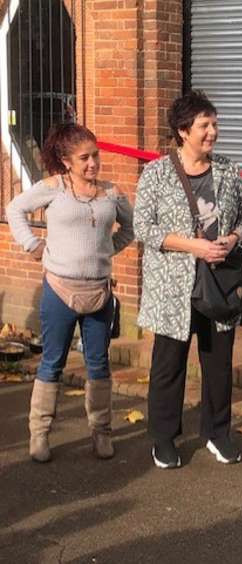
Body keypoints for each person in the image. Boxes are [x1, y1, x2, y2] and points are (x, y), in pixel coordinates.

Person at [133, 90, 242, 469]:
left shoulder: (227, 170)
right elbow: (143, 228)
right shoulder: (156, 173)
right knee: (168, 366)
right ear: (183, 130)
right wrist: (194, 247)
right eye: (205, 125)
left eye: (215, 124)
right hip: (174, 289)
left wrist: (232, 238)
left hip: (219, 284)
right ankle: (164, 439)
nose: (213, 132)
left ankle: (218, 434)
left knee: (218, 365)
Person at [7, 123, 134, 462]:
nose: (93, 163)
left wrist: (107, 250)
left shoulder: (112, 193)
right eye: (84, 158)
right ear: (66, 161)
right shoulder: (52, 188)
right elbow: (14, 209)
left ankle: (101, 432)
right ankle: (39, 434)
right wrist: (33, 246)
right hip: (59, 291)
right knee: (52, 362)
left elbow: (130, 229)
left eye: (96, 155)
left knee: (98, 363)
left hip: (99, 294)